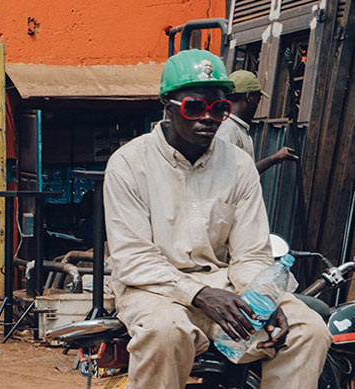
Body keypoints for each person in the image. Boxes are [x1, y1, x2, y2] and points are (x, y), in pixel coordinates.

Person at [103, 50, 331, 388]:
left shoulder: (238, 165)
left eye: (219, 109)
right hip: (152, 290)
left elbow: (252, 253)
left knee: (307, 331)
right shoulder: (128, 165)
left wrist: (265, 301)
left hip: (227, 289)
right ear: (167, 107)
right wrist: (198, 294)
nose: (208, 118)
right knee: (165, 333)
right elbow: (133, 259)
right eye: (194, 107)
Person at [216, 70, 299, 174]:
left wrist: (276, 158)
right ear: (249, 97)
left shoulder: (237, 128)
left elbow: (246, 175)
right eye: (258, 98)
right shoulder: (228, 129)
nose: (257, 104)